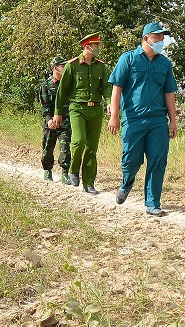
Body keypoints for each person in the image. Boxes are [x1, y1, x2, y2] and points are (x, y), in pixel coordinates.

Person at [108, 21, 178, 216]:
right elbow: (116, 89)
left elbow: (169, 93)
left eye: (163, 38)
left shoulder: (165, 63)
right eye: (157, 38)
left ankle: (153, 202)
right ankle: (126, 182)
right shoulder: (128, 59)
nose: (161, 41)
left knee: (158, 160)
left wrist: (172, 120)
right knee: (131, 160)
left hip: (157, 120)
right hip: (133, 119)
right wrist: (114, 116)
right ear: (146, 38)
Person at [55, 33, 109, 194]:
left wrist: (110, 103)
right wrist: (58, 113)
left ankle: (89, 183)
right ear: (87, 47)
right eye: (96, 46)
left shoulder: (101, 66)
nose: (98, 48)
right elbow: (62, 91)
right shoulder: (72, 65)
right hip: (77, 108)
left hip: (96, 110)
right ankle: (73, 170)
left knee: (92, 147)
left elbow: (106, 87)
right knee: (79, 141)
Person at [38, 56, 71, 182]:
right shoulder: (46, 85)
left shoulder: (68, 85)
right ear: (56, 67)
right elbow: (44, 106)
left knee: (65, 148)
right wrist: (49, 120)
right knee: (48, 148)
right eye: (62, 66)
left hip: (65, 122)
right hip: (50, 123)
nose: (64, 68)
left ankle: (65, 173)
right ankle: (47, 170)